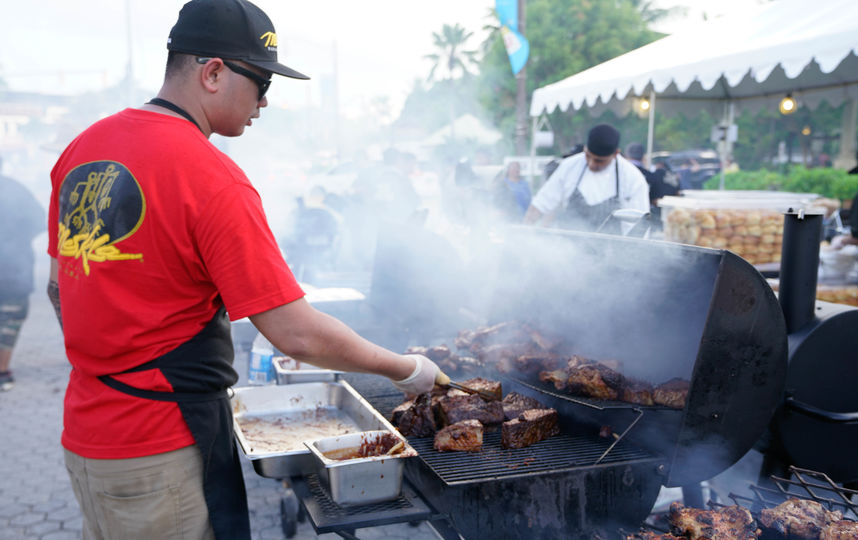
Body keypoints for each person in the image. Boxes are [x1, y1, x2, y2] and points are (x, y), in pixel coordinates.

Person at [46, 1, 444, 538]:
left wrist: (111, 353)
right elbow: (297, 335)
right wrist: (405, 368)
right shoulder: (211, 177)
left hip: (88, 437)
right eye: (262, 83)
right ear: (213, 73)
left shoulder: (82, 149)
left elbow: (59, 288)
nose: (264, 102)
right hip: (161, 448)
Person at [524, 124, 649, 233]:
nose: (591, 164)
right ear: (585, 148)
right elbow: (541, 204)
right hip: (566, 248)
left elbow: (638, 226)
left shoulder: (632, 178)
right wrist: (523, 235)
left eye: (599, 161)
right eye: (588, 156)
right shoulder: (569, 166)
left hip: (611, 251)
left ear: (615, 154)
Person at [0, 156, 46, 391]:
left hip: (12, 268)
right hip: (13, 270)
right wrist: (18, 239)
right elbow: (40, 221)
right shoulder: (16, 189)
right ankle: (2, 371)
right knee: (10, 318)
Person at [625, 142, 678, 226]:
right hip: (643, 217)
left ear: (627, 156)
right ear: (643, 157)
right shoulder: (650, 176)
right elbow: (655, 199)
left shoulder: (621, 173)